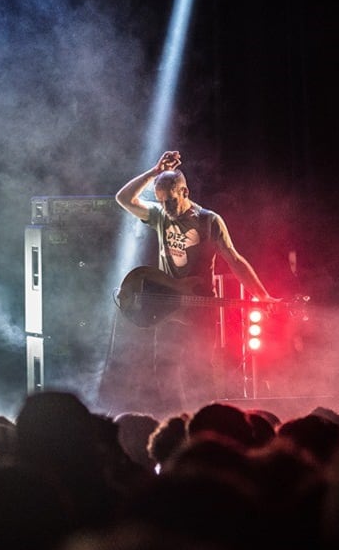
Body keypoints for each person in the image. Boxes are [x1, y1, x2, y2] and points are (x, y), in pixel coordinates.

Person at [116, 151, 277, 411]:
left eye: (170, 201)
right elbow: (123, 198)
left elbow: (234, 260)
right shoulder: (159, 216)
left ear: (185, 192)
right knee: (165, 375)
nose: (166, 207)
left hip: (199, 312)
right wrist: (154, 172)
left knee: (198, 375)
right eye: (161, 201)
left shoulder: (208, 221)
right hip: (167, 310)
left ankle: (202, 426)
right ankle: (175, 425)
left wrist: (261, 295)